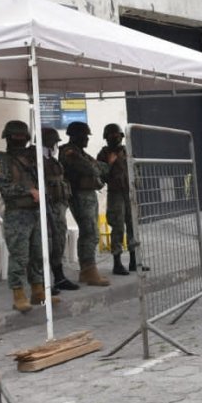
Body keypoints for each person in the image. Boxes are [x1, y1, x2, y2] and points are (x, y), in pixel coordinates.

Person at [0, 121, 57, 312]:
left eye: (23, 137)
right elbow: (4, 187)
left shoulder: (32, 158)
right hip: (17, 215)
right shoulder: (1, 160)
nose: (20, 140)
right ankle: (18, 294)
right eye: (16, 137)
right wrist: (29, 191)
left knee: (38, 253)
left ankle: (38, 292)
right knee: (20, 255)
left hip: (36, 212)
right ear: (8, 138)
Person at [59, 121, 111, 287]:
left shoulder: (80, 152)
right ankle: (88, 270)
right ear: (76, 136)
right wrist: (96, 166)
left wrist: (97, 166)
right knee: (89, 232)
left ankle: (88, 269)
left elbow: (104, 168)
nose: (87, 139)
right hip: (79, 195)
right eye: (85, 136)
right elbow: (91, 169)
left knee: (92, 232)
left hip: (88, 194)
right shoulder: (69, 152)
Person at [97, 123, 146, 276]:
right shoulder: (103, 154)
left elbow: (136, 168)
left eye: (117, 135)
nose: (115, 138)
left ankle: (134, 261)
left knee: (133, 227)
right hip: (115, 194)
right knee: (118, 228)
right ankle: (117, 263)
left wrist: (137, 182)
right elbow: (100, 175)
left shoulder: (127, 151)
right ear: (106, 138)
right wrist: (110, 163)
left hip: (130, 194)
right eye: (111, 136)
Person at [41, 127, 80, 294]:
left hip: (58, 207)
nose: (56, 146)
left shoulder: (52, 160)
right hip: (46, 208)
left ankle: (59, 277)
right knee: (47, 244)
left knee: (59, 242)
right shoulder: (37, 161)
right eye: (54, 143)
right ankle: (43, 282)